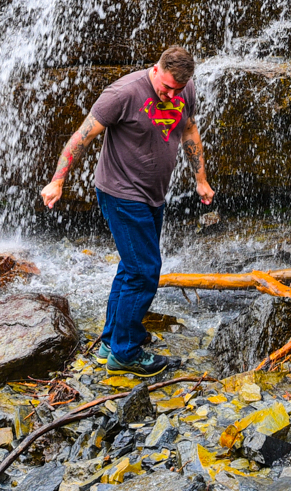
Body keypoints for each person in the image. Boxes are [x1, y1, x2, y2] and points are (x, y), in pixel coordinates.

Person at [41, 45, 214, 376]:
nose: (170, 95)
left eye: (177, 90)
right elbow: (82, 137)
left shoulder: (185, 89)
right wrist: (57, 181)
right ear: (155, 69)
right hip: (120, 193)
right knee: (144, 270)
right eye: (165, 87)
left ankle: (112, 340)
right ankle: (126, 353)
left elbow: (189, 130)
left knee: (131, 267)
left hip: (153, 195)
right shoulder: (123, 93)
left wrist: (201, 179)